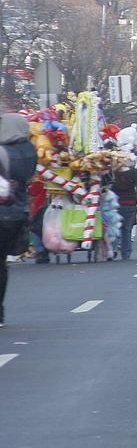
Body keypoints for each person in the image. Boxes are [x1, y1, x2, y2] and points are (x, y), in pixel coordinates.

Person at [0, 113, 37, 327]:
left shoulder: (3, 152)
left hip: (3, 207)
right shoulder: (30, 151)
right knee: (2, 263)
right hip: (18, 213)